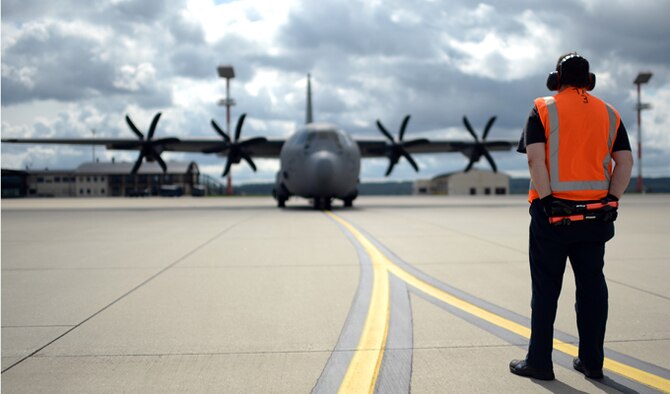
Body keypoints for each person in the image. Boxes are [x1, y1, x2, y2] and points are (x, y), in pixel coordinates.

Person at [510, 52, 634, 381]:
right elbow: (624, 163)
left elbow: (536, 161)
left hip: (552, 216)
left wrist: (550, 201)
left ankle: (540, 362)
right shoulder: (609, 113)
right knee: (592, 288)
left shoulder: (543, 108)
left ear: (556, 78)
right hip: (595, 217)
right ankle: (592, 362)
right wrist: (611, 200)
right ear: (589, 80)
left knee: (546, 290)